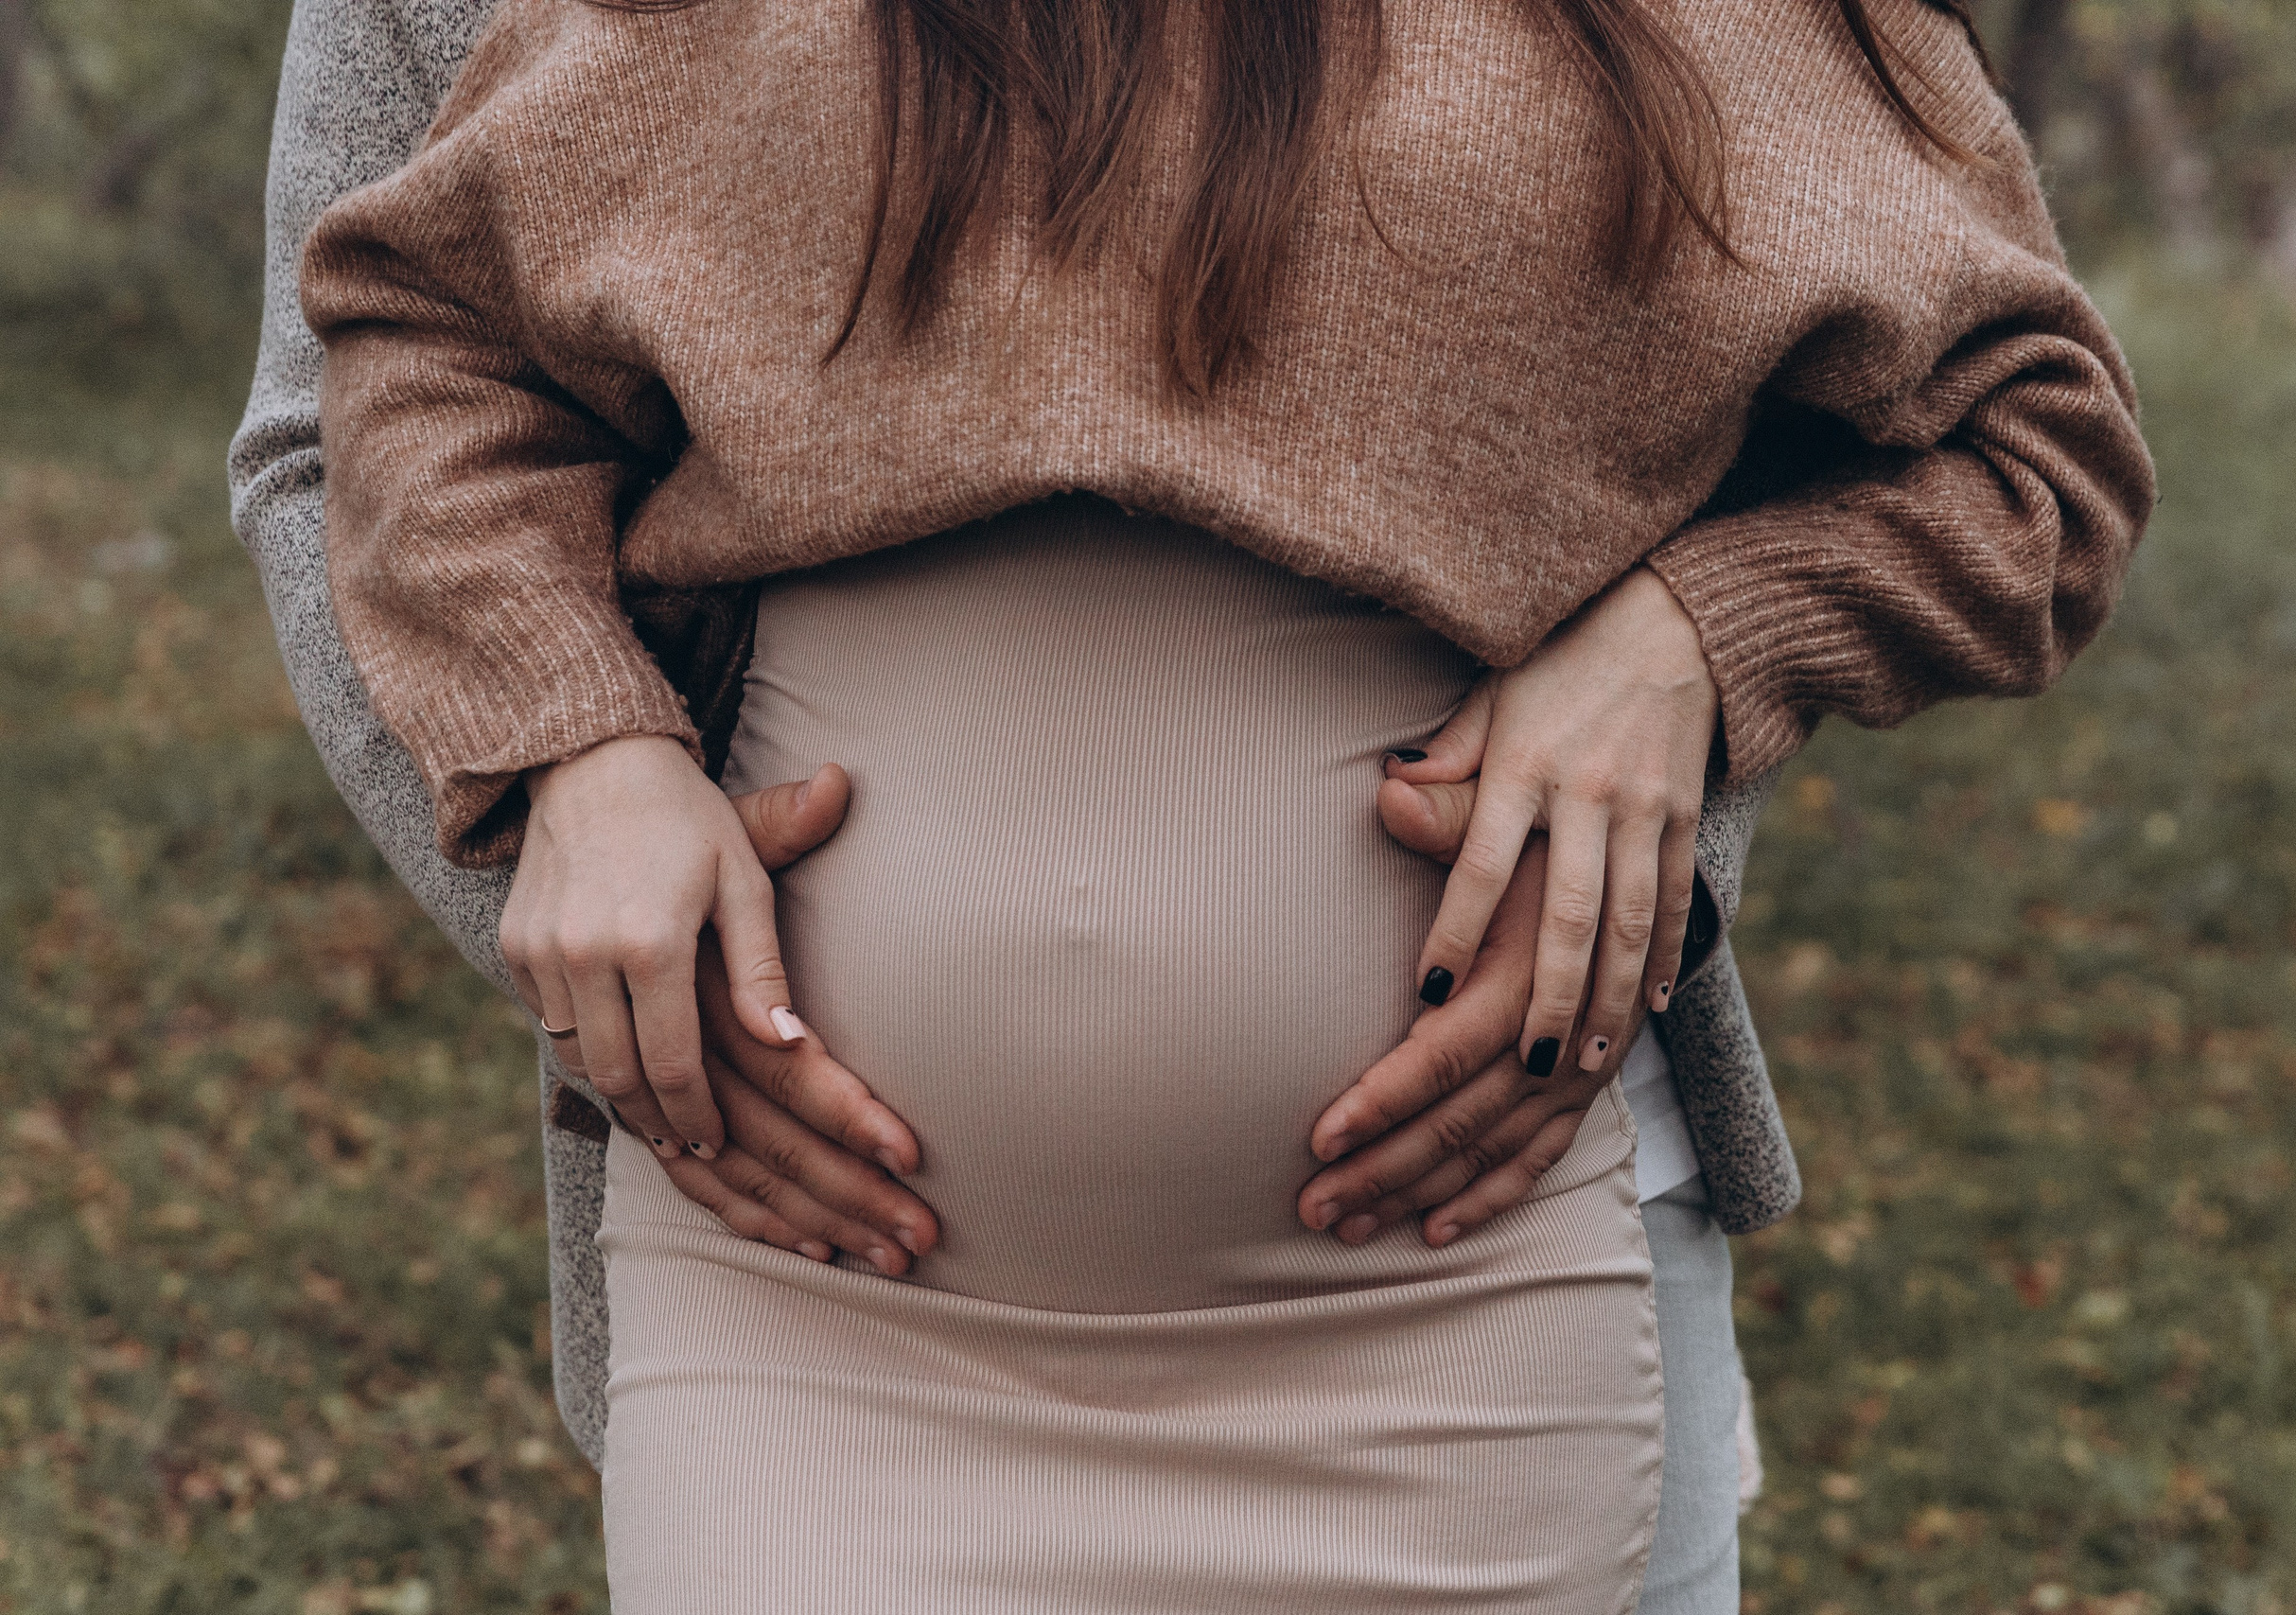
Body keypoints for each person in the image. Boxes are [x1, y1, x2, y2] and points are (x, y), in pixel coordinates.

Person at [233, 0, 2153, 1608]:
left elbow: (2023, 441)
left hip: (1444, 1304)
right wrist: (572, 747)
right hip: (817, 1309)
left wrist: (1697, 637)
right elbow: (399, 367)